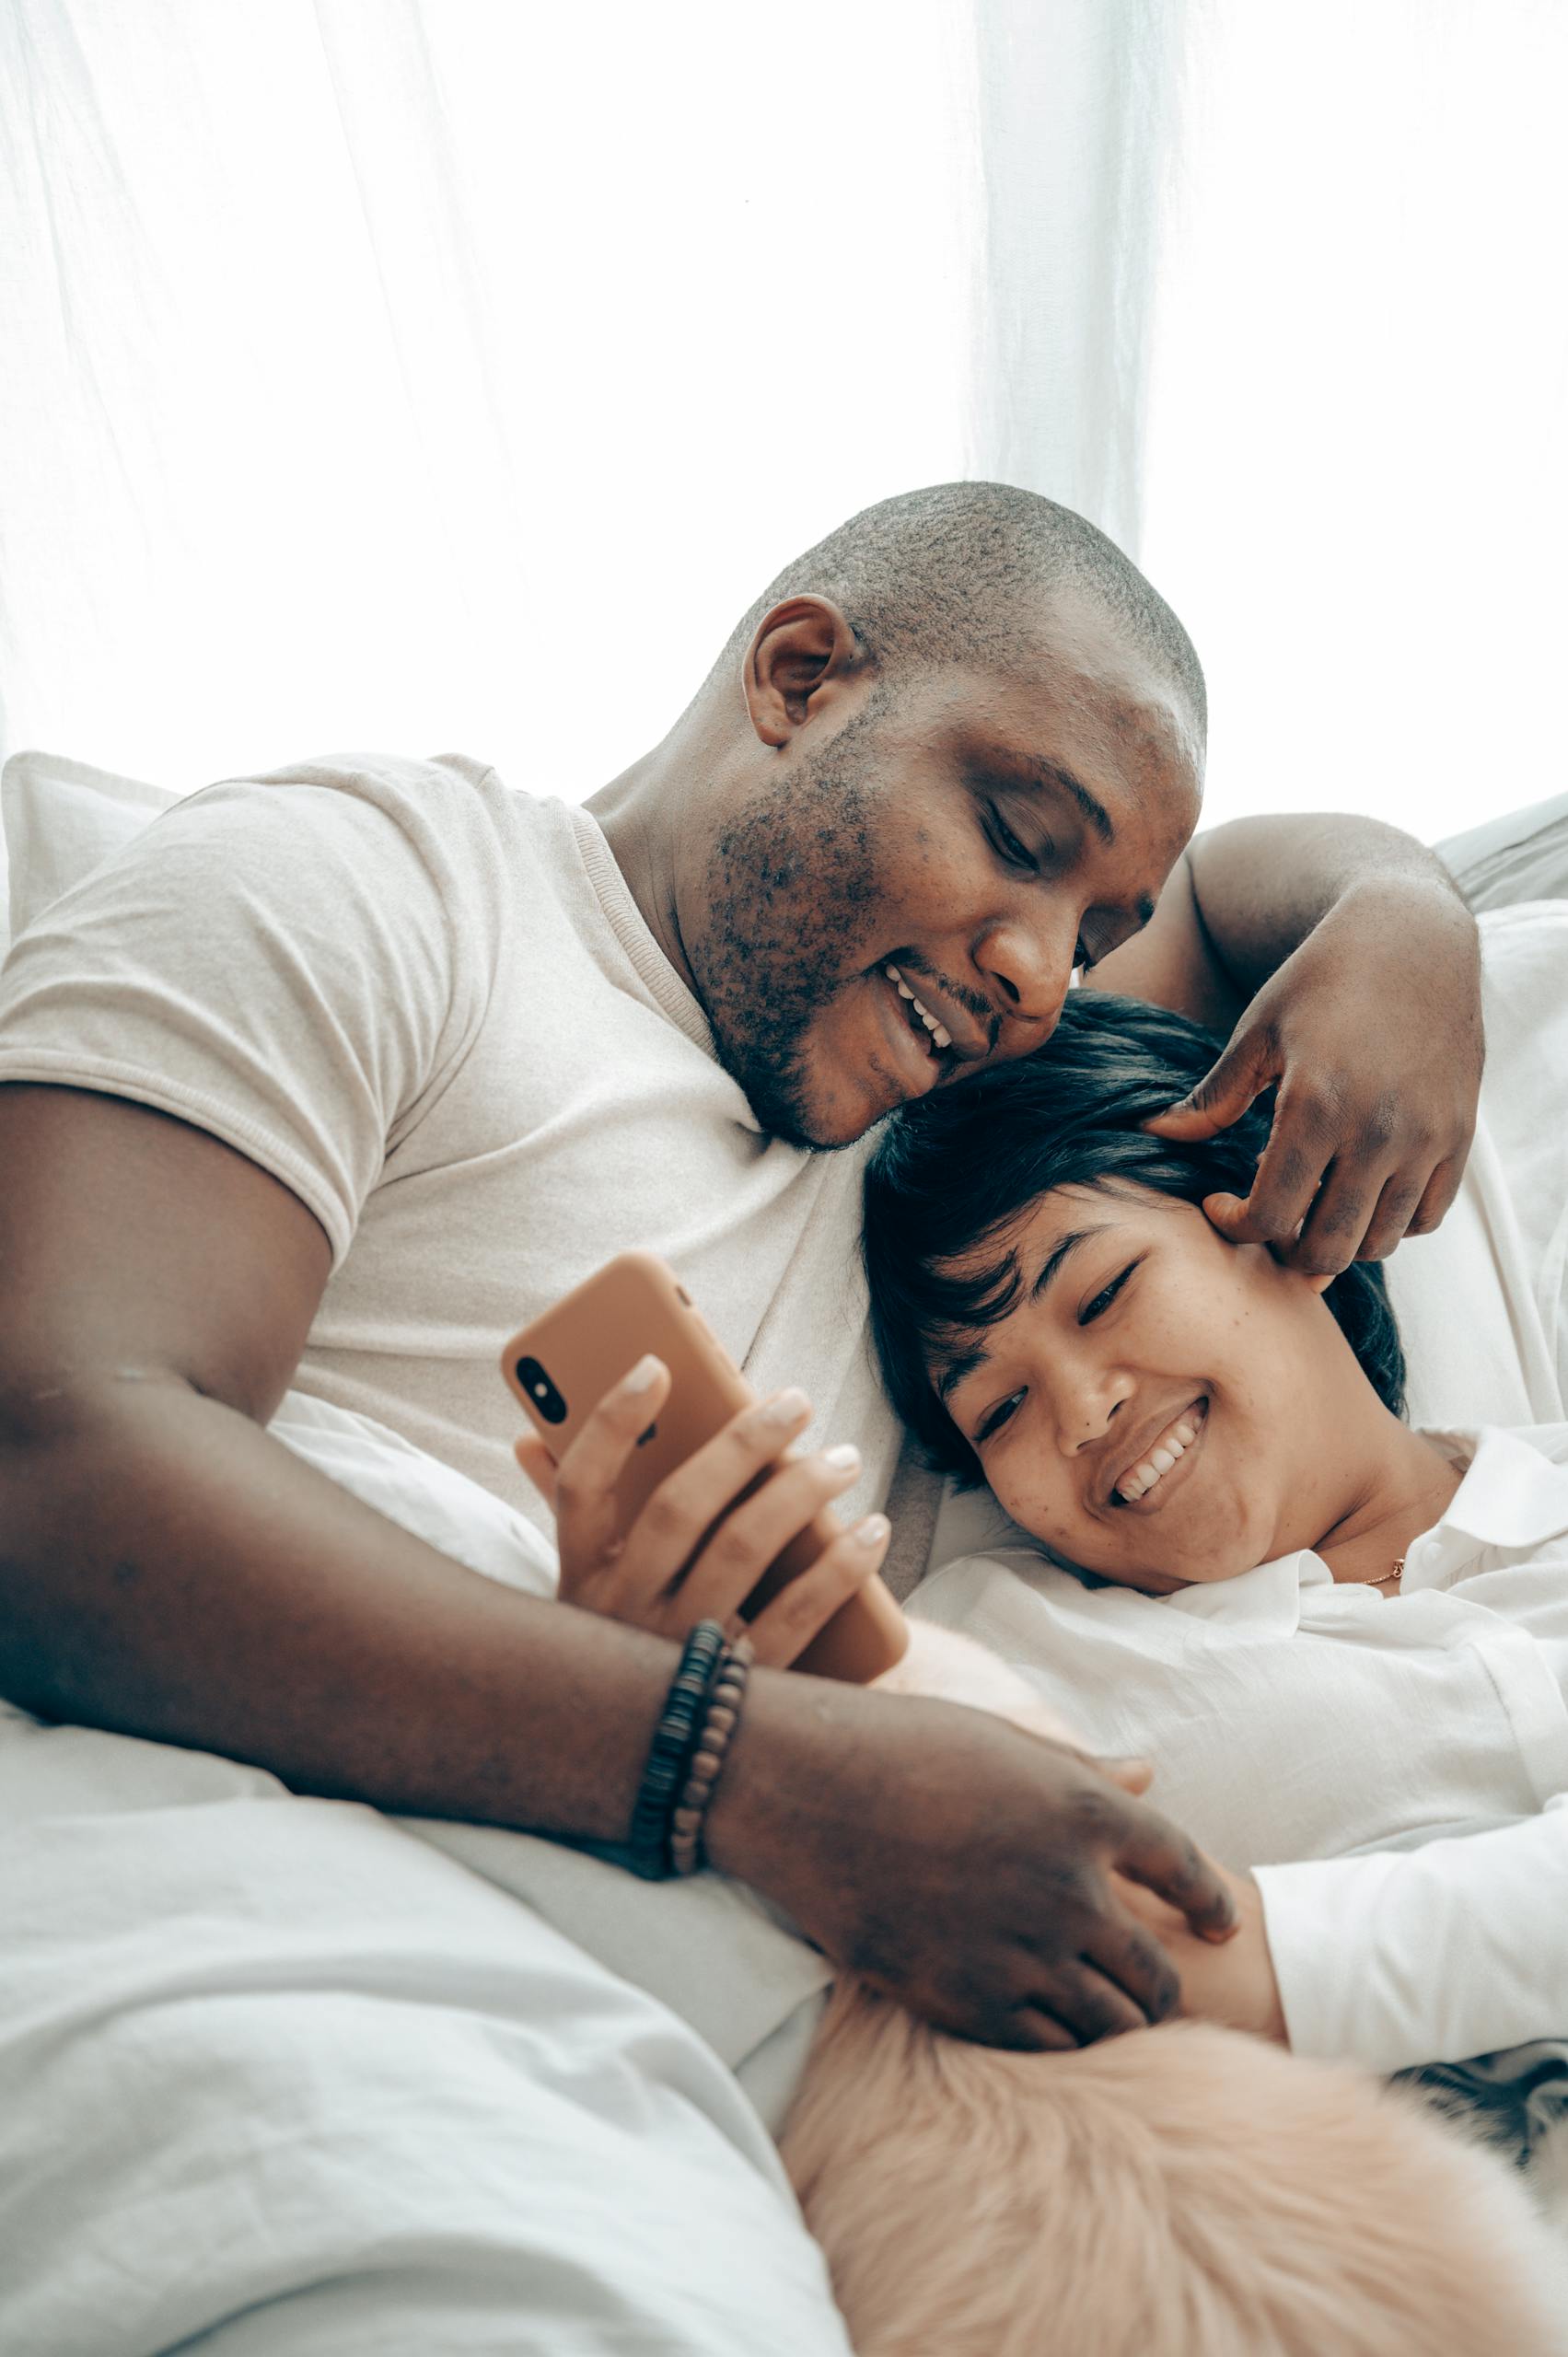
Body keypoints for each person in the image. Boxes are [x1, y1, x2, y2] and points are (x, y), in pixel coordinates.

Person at [0, 481, 1484, 2049]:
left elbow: (1228, 885)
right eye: (1016, 839)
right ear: (798, 680)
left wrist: (1403, 916)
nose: (1043, 977)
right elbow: (45, 1447)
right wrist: (744, 1771)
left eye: (1090, 937)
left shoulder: (935, 1115)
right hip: (262, 1946)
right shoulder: (385, 888)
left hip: (679, 2046)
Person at [860, 986, 1568, 2076]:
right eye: (998, 1410)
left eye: (1100, 1295)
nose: (1081, 1412)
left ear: (1276, 1205)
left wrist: (1272, 1966)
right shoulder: (1013, 1652)